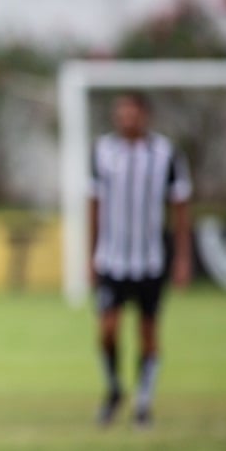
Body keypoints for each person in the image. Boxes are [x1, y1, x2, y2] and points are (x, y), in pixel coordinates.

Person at [89, 91, 192, 428]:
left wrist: (182, 258)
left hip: (149, 260)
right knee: (107, 330)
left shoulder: (165, 154)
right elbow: (93, 204)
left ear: (145, 115)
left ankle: (144, 403)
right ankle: (115, 389)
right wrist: (89, 253)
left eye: (132, 112)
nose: (127, 119)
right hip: (111, 258)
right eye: (122, 113)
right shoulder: (103, 152)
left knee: (148, 332)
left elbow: (180, 207)